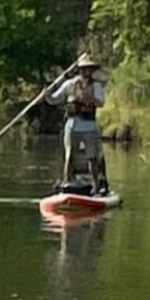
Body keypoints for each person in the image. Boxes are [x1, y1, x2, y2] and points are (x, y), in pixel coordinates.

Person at [45, 53, 109, 195]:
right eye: (85, 69)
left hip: (89, 126)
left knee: (92, 157)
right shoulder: (70, 84)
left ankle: (96, 186)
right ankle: (67, 184)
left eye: (90, 69)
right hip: (72, 125)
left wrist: (89, 98)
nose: (88, 72)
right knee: (69, 156)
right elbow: (54, 100)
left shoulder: (96, 86)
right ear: (80, 70)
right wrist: (47, 94)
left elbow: (101, 102)